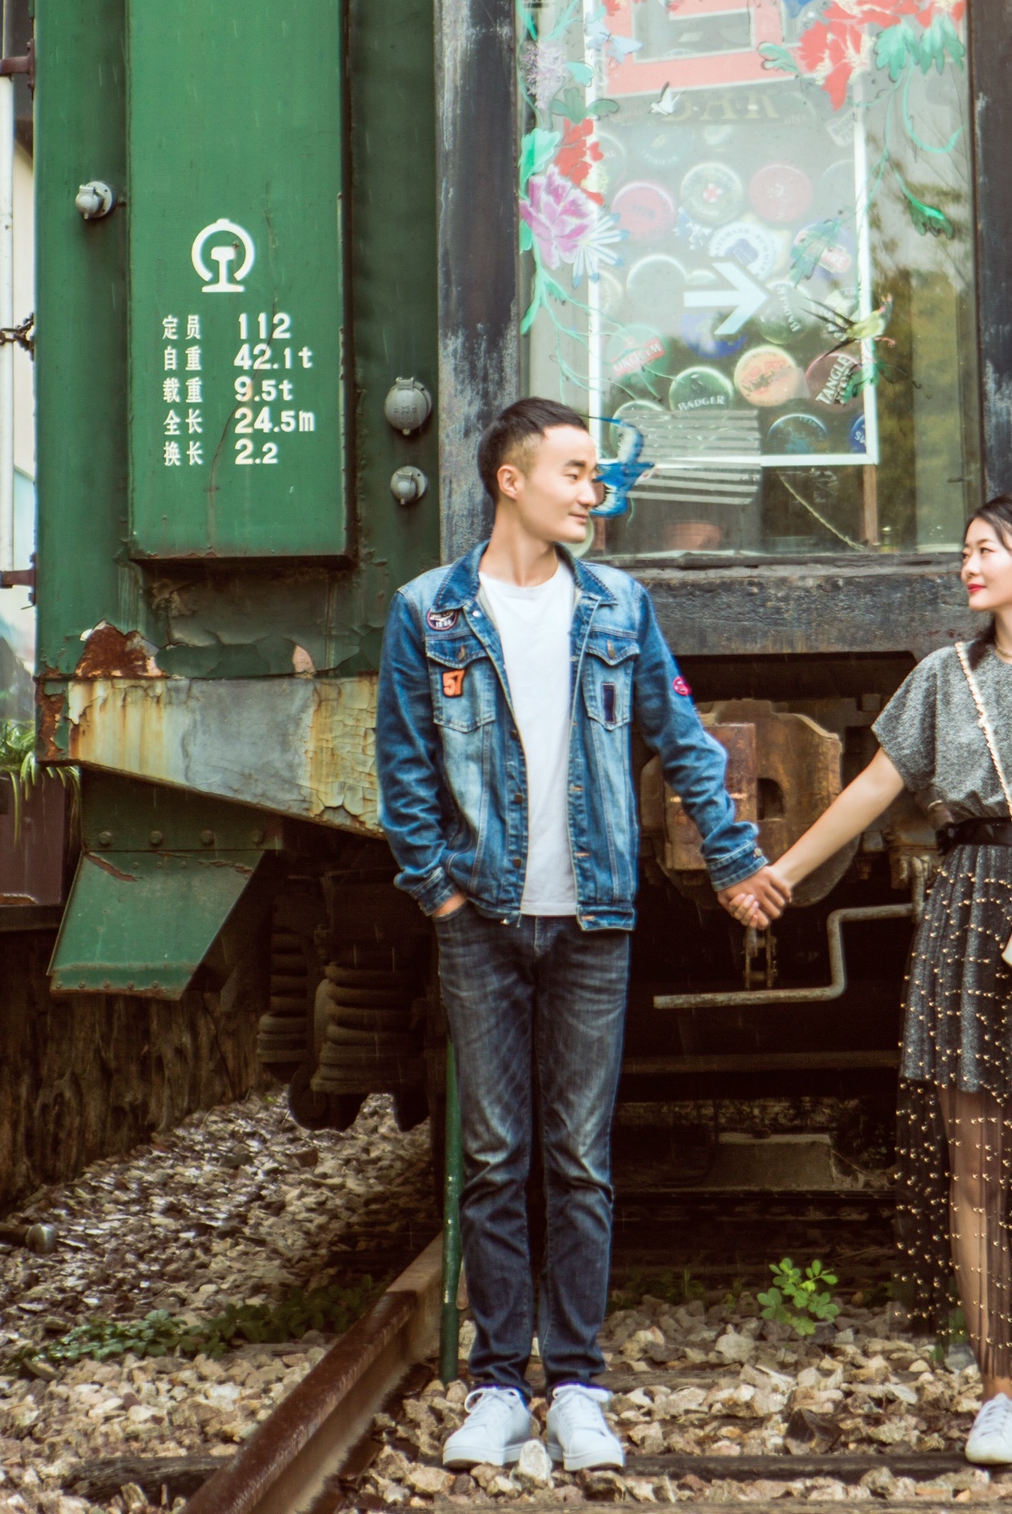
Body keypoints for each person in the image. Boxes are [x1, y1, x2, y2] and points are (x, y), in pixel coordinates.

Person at [375, 398, 786, 1473]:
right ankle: (497, 1388)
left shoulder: (617, 605)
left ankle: (578, 1386)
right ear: (509, 480)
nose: (592, 492)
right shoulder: (428, 612)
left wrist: (734, 861)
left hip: (595, 918)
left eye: (595, 474)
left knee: (579, 1161)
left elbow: (682, 740)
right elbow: (403, 770)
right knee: (493, 1158)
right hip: (481, 921)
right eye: (574, 472)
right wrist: (440, 894)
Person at [743, 494, 1012, 1471]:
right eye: (966, 550)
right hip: (966, 920)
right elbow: (872, 790)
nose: (969, 565)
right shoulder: (941, 678)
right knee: (975, 1175)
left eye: (986, 550)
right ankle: (994, 1392)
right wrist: (779, 874)